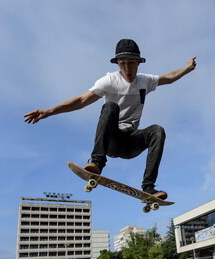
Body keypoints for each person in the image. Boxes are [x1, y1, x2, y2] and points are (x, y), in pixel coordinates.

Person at [24, 39, 197, 199]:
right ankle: (97, 163)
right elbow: (82, 100)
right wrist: (49, 111)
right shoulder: (109, 81)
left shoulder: (145, 81)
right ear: (118, 64)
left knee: (157, 130)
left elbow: (169, 77)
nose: (127, 69)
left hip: (131, 143)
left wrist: (188, 68)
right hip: (112, 141)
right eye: (123, 64)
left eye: (131, 63)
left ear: (139, 62)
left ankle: (148, 187)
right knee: (110, 106)